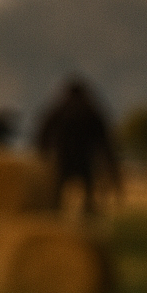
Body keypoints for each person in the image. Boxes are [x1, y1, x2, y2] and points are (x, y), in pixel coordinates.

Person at [34, 76, 122, 216]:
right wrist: (111, 169)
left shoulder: (59, 109)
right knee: (88, 191)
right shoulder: (91, 110)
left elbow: (43, 133)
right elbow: (105, 141)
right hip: (85, 158)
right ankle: (88, 213)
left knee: (57, 191)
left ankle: (55, 214)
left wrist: (42, 156)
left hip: (63, 157)